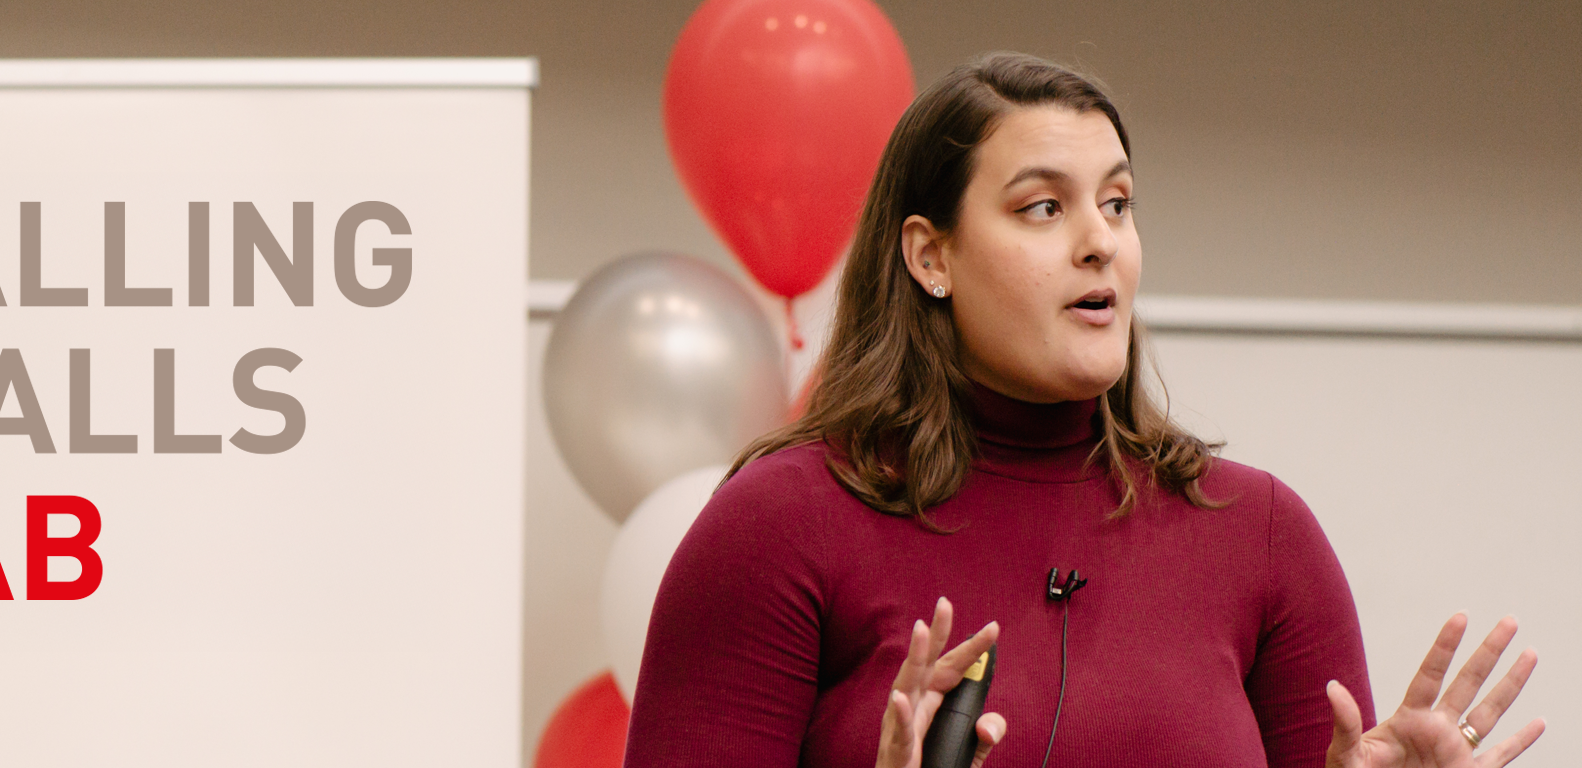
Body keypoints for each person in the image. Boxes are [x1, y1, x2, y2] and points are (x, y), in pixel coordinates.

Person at [620, 53, 1543, 768]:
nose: (1100, 242)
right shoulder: (779, 525)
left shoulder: (1261, 535)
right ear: (928, 257)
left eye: (1117, 203)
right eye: (1042, 208)